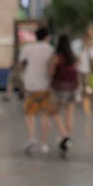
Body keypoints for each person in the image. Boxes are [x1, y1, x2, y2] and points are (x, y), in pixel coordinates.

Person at [19, 27, 71, 155]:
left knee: (29, 113)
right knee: (45, 113)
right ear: (47, 37)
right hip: (45, 86)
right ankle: (43, 142)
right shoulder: (50, 49)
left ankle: (31, 138)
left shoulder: (27, 48)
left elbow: (21, 63)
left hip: (30, 85)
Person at [50, 34, 79, 137]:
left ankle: (64, 135)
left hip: (61, 87)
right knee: (69, 112)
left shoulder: (57, 57)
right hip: (73, 86)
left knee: (54, 111)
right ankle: (68, 135)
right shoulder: (72, 57)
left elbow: (51, 72)